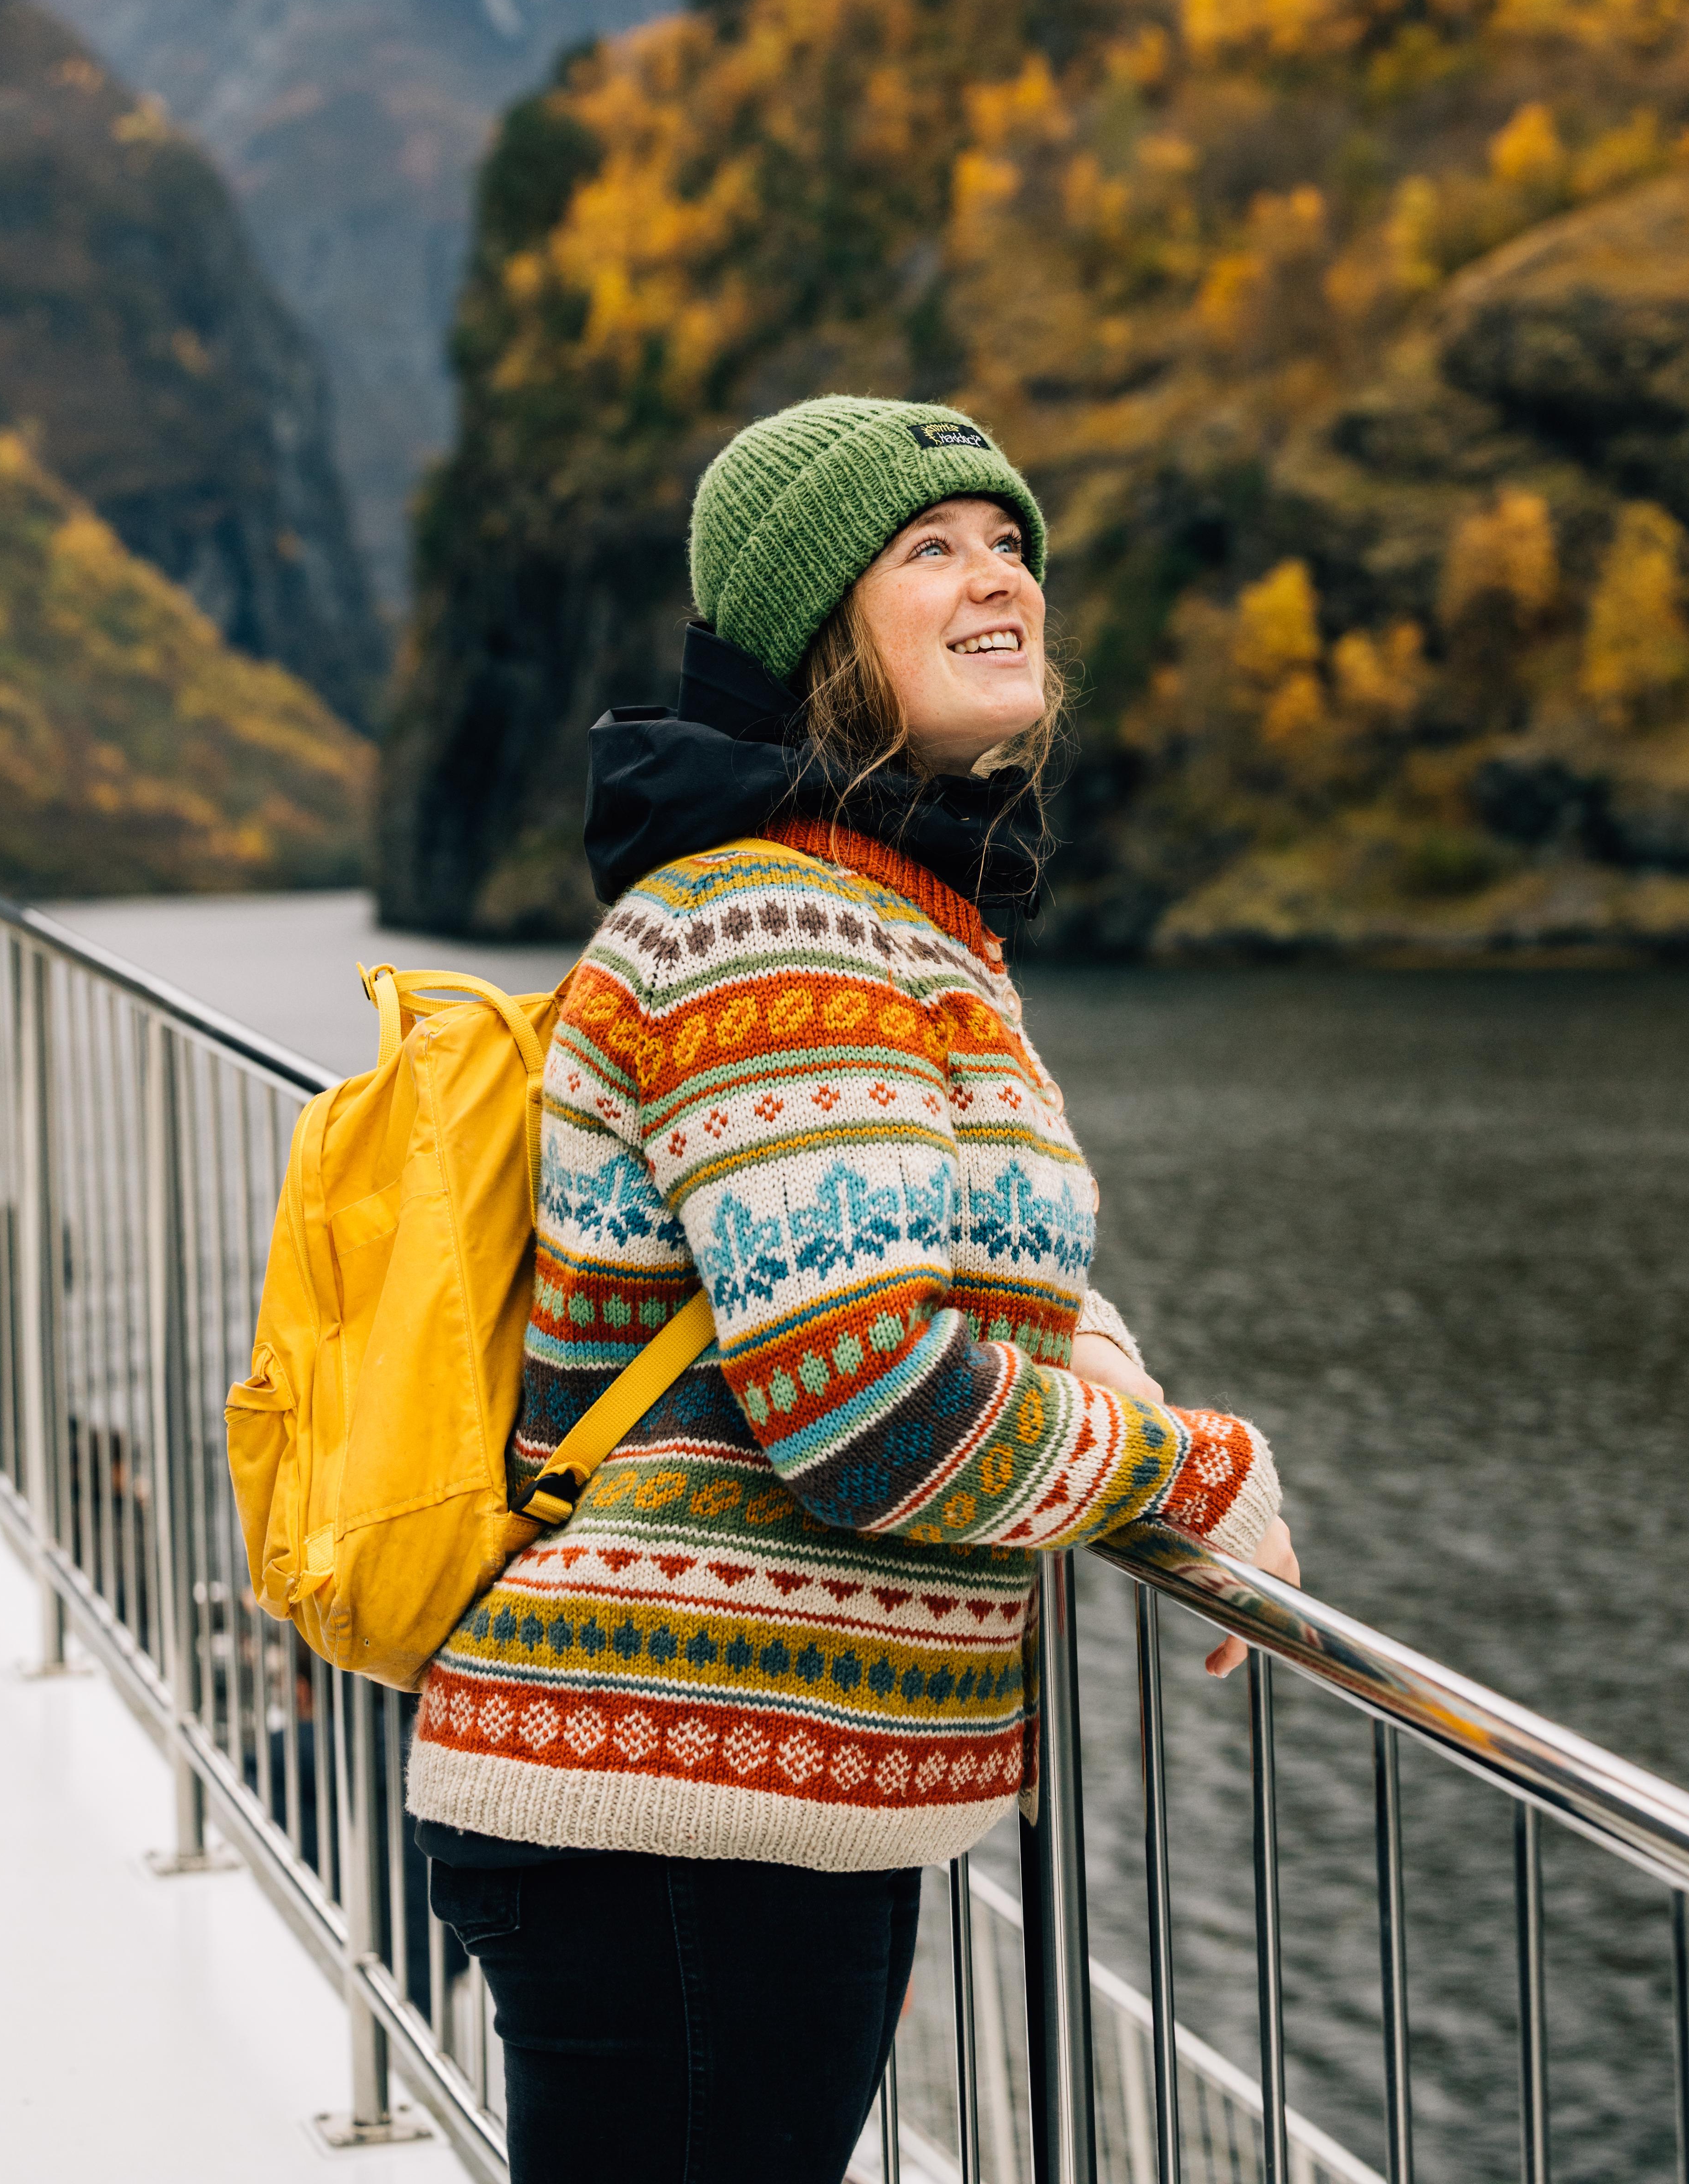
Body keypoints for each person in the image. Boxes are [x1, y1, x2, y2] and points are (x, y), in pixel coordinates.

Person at [409, 394, 1298, 2184]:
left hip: (746, 1778)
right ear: (820, 627)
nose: (1003, 582)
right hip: (675, 1792)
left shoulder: (888, 913)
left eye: (1013, 544)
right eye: (931, 550)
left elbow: (975, 1263)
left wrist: (1105, 1366)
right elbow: (870, 1417)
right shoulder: (776, 930)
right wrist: (1189, 1473)